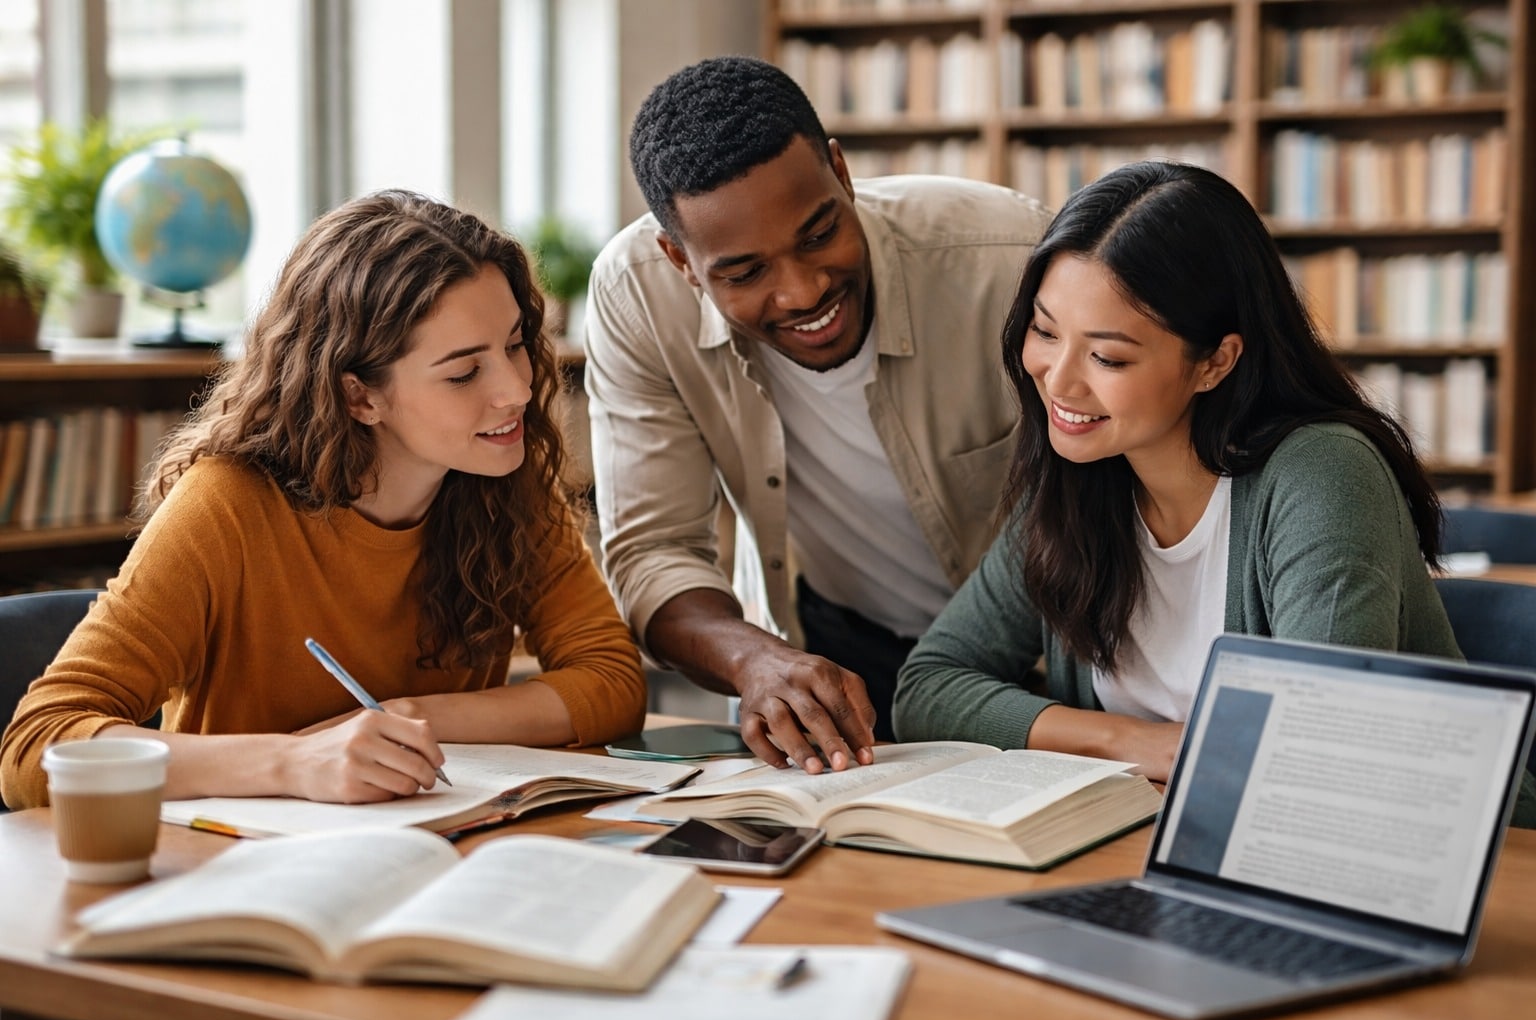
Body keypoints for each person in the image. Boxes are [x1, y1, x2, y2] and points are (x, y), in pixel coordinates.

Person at [893, 160, 1534, 803]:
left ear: (1215, 362)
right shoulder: (1076, 482)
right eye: (1044, 330)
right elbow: (928, 687)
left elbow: (1318, 746)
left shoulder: (1320, 477)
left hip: (1422, 860)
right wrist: (1131, 742)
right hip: (1161, 835)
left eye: (1107, 356)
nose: (1058, 380)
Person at [0, 190, 647, 811]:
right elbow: (37, 745)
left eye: (513, 345)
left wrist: (405, 718)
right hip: (233, 864)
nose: (516, 389)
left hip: (430, 846)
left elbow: (612, 684)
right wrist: (293, 762)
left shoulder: (507, 484)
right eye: (463, 372)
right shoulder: (227, 505)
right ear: (360, 396)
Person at [586, 56, 1052, 773]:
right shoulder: (637, 295)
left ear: (840, 171)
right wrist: (756, 662)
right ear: (680, 259)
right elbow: (655, 551)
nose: (802, 292)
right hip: (834, 655)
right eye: (744, 273)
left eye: (817, 235)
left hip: (1054, 656)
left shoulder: (1010, 260)